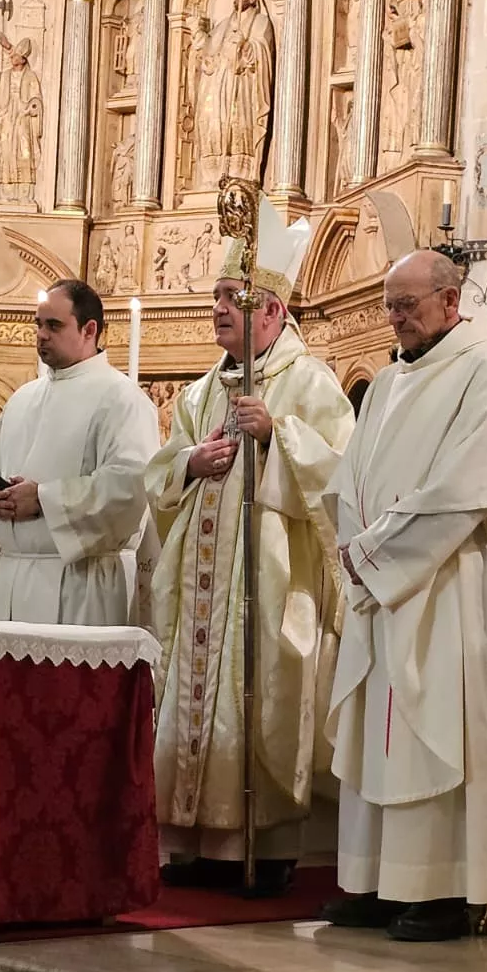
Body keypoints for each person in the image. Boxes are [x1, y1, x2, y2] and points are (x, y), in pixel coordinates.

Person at [322, 249, 487, 942]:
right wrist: (358, 547)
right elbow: (348, 477)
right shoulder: (389, 383)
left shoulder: (486, 372)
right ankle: (376, 880)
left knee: (439, 727)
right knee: (379, 730)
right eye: (390, 306)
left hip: (452, 585)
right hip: (384, 585)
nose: (396, 318)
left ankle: (446, 888)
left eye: (408, 305)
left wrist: (376, 553)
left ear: (451, 303)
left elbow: (467, 489)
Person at [146, 195, 355, 895]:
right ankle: (197, 842)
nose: (217, 311)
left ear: (273, 312)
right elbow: (161, 468)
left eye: (232, 298)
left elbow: (346, 472)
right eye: (214, 299)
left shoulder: (310, 382)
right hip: (203, 585)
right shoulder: (203, 391)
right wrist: (188, 465)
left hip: (269, 579)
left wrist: (280, 437)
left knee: (266, 698)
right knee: (195, 698)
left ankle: (264, 848)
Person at [0, 279, 160, 626]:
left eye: (53, 325)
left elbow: (130, 489)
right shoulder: (23, 397)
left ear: (89, 330)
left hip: (80, 586)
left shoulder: (122, 398)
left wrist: (43, 498)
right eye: (38, 324)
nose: (41, 334)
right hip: (11, 579)